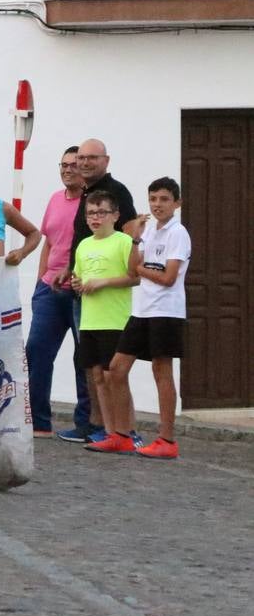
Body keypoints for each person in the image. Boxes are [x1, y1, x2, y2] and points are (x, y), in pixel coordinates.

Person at [99, 178, 190, 459]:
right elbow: (131, 270)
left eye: (164, 199)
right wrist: (136, 238)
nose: (157, 205)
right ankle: (122, 435)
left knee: (161, 371)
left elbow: (168, 277)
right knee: (116, 368)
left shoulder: (178, 233)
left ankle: (167, 440)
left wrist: (141, 268)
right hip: (142, 310)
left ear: (176, 203)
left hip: (166, 311)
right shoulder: (149, 231)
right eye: (153, 199)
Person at [60, 137, 140, 443]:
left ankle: (126, 431)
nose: (85, 162)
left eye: (92, 157)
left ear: (106, 160)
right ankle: (101, 428)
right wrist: (72, 275)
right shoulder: (85, 194)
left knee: (114, 374)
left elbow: (134, 256)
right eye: (81, 158)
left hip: (114, 312)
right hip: (87, 308)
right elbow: (81, 252)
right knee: (93, 371)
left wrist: (107, 278)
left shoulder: (115, 193)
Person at [25, 146, 92, 438]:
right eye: (63, 165)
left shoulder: (92, 203)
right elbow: (49, 242)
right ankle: (39, 421)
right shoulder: (54, 199)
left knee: (84, 358)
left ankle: (85, 423)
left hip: (81, 292)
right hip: (50, 291)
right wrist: (40, 281)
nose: (67, 169)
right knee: (36, 352)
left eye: (73, 165)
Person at [71, 190, 141, 454]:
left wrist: (103, 282)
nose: (95, 218)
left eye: (102, 212)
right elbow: (79, 278)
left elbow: (135, 277)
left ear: (115, 215)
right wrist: (77, 283)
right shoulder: (84, 245)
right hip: (89, 320)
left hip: (115, 319)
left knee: (116, 376)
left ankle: (130, 431)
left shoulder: (123, 242)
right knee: (98, 376)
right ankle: (111, 432)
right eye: (90, 213)